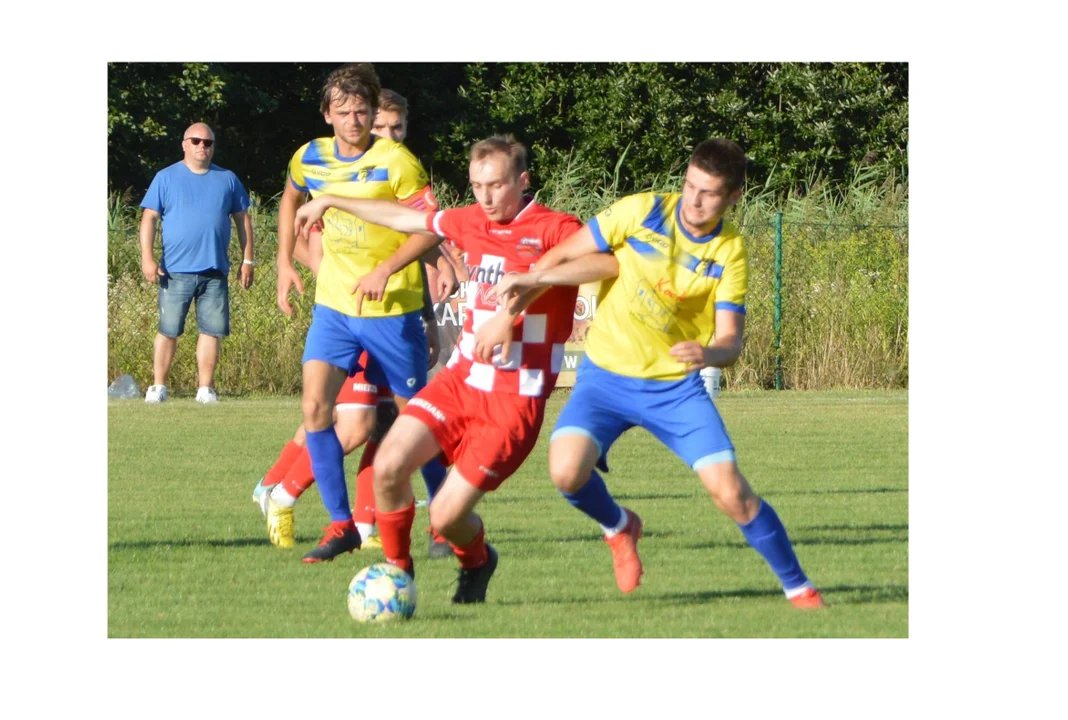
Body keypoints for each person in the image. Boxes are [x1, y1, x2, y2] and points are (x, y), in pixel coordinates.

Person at [487, 138, 826, 609]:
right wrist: (507, 316)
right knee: (565, 472)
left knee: (731, 493)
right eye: (690, 185)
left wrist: (708, 352)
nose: (694, 200)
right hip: (604, 379)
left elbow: (731, 344)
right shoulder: (642, 210)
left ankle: (799, 587)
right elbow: (557, 258)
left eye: (709, 193)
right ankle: (619, 527)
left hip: (673, 390)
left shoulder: (729, 251)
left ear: (733, 197)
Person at [293, 135, 596, 603]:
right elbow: (402, 217)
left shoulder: (554, 227)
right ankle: (397, 576)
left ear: (523, 180)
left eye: (496, 185)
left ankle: (477, 560)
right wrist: (333, 200)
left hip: (513, 400)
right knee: (388, 467)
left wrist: (529, 284)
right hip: (459, 382)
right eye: (477, 186)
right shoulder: (471, 220)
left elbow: (605, 263)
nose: (485, 197)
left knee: (446, 517)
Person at [253, 89, 455, 559]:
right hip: (335, 310)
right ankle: (337, 521)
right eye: (345, 112)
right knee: (319, 409)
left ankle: (442, 522)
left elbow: (429, 229)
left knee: (408, 422)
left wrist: (411, 292)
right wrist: (284, 262)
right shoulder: (311, 157)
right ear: (327, 115)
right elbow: (290, 200)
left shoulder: (398, 164)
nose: (357, 121)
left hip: (392, 313)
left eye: (366, 114)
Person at [139, 122, 254, 404]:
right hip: (174, 271)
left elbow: (243, 219)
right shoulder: (165, 178)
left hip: (214, 270)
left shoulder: (227, 179)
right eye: (196, 141)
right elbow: (149, 218)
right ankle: (158, 386)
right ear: (184, 144)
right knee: (168, 330)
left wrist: (248, 259)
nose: (202, 146)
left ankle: (205, 389)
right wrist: (147, 258)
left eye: (208, 142)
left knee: (211, 331)